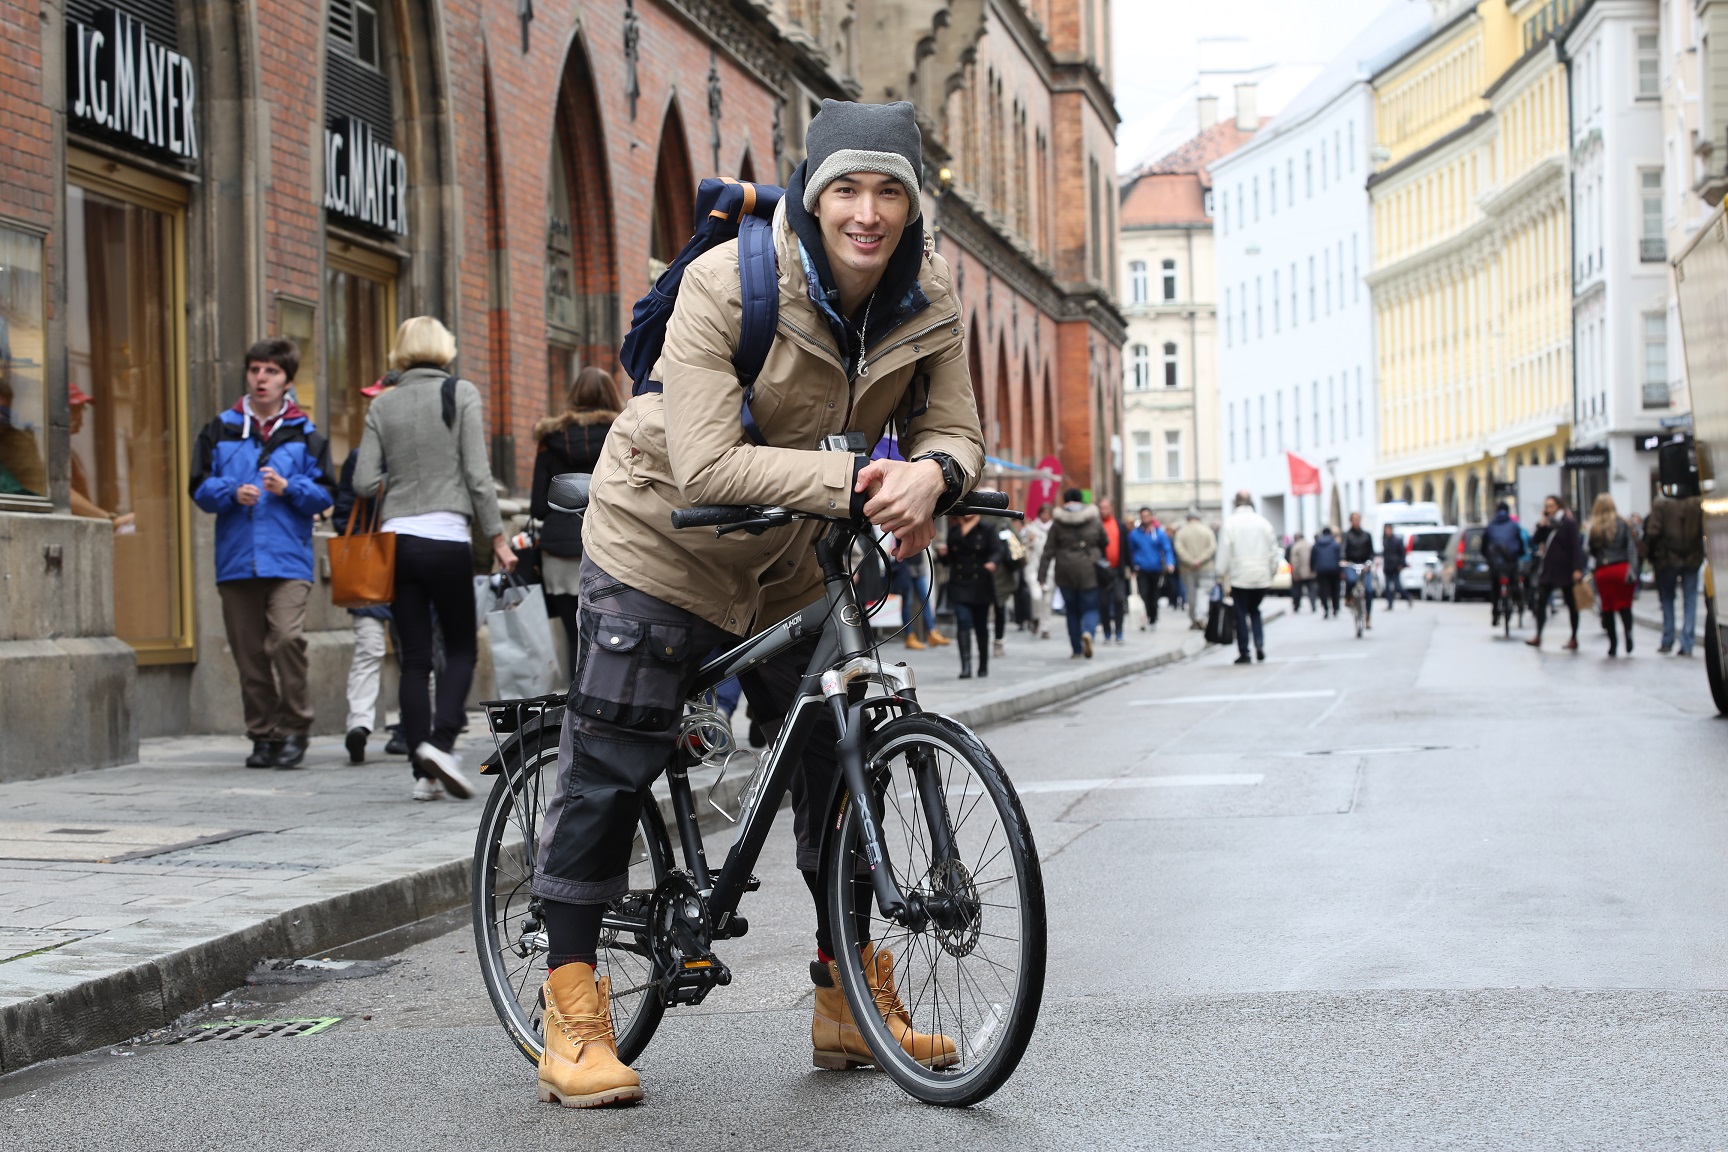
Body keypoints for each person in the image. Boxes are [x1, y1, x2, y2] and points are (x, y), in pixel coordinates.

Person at [528, 100, 983, 1109]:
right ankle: (572, 1012)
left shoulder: (929, 297)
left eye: (889, 192)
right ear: (816, 199)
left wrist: (939, 473)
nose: (868, 213)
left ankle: (847, 1001)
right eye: (847, 191)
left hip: (793, 560)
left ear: (913, 206)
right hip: (663, 540)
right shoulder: (728, 281)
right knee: (613, 756)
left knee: (836, 761)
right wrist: (866, 478)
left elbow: (955, 424)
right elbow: (704, 460)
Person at [354, 316, 517, 801]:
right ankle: (440, 745)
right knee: (462, 648)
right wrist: (500, 538)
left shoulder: (383, 404)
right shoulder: (459, 393)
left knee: (414, 659)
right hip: (447, 539)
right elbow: (477, 473)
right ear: (443, 348)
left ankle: (422, 772)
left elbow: (363, 482)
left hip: (397, 542)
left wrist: (400, 480)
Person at [190, 338, 335, 769]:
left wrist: (289, 488)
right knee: (249, 652)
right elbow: (198, 487)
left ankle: (295, 727)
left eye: (270, 371)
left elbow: (328, 494)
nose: (260, 378)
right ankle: (263, 733)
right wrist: (232, 491)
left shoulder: (307, 435)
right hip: (236, 560)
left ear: (287, 379)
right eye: (254, 370)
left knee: (287, 639)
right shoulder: (220, 428)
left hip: (288, 559)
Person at [531, 366, 622, 665]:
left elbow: (538, 505)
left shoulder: (552, 437)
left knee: (574, 636)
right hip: (612, 543)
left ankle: (575, 701)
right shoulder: (624, 431)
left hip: (559, 547)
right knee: (613, 630)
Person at [332, 372, 400, 763]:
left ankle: (412, 727)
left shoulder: (422, 455)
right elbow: (345, 512)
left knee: (416, 652)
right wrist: (365, 540)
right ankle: (359, 723)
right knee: (370, 646)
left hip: (411, 561)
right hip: (371, 565)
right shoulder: (360, 457)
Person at [1039, 488, 1108, 659]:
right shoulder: (1093, 519)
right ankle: (1088, 633)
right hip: (1089, 568)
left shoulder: (1057, 523)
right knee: (1090, 606)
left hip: (1064, 569)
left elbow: (1048, 551)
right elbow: (1104, 540)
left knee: (1072, 610)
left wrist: (1041, 575)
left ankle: (1076, 649)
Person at [938, 512, 1004, 678]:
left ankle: (983, 665)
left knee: (981, 626)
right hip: (959, 585)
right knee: (963, 622)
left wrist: (992, 562)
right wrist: (942, 555)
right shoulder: (954, 530)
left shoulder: (986, 529)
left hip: (980, 583)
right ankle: (966, 667)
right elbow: (949, 561)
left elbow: (997, 550)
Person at [1216, 490, 1279, 664]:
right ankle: (1259, 643)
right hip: (1260, 575)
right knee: (1255, 611)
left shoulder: (1231, 523)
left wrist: (1220, 574)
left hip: (1240, 576)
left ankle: (1244, 650)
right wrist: (1271, 573)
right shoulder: (1263, 523)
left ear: (1235, 503)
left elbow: (1224, 551)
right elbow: (1274, 552)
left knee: (1241, 613)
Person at [1643, 488, 1705, 655]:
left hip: (1668, 558)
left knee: (1668, 598)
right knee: (1690, 598)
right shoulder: (1696, 502)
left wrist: (1650, 554)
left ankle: (1668, 638)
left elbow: (1653, 532)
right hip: (1691, 556)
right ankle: (1687, 642)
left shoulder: (1661, 502)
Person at [1527, 494, 1583, 650]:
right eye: (1547, 506)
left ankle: (1574, 637)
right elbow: (1535, 540)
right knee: (1541, 602)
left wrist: (1577, 568)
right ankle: (1538, 634)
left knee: (1572, 605)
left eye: (1551, 506)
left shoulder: (1568, 523)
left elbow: (1575, 547)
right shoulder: (1547, 524)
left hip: (1565, 569)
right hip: (1549, 569)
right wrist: (1542, 524)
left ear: (1558, 506)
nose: (1548, 509)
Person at [1586, 493, 1639, 656]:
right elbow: (1631, 548)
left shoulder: (1594, 527)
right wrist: (1633, 570)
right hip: (1621, 569)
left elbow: (1589, 550)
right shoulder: (1623, 523)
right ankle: (1628, 633)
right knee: (1625, 605)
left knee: (1607, 607)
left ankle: (1613, 643)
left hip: (1604, 571)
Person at [1127, 507, 1175, 628]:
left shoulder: (1159, 533)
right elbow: (1130, 551)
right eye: (1143, 516)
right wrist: (1132, 566)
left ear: (1151, 516)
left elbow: (1167, 549)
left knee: (1154, 594)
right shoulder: (1134, 534)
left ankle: (1153, 617)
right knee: (1144, 593)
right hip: (1141, 568)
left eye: (1147, 516)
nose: (1145, 518)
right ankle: (1146, 615)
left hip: (1156, 568)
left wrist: (1170, 563)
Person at [1481, 502, 1525, 627]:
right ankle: (1517, 599)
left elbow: (1484, 547)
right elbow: (1520, 544)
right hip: (1511, 563)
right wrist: (1520, 553)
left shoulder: (1490, 526)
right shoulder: (1514, 525)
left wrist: (1487, 557)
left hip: (1495, 565)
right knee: (1513, 581)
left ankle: (1495, 613)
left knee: (1495, 587)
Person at [1095, 496, 1131, 643]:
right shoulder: (1096, 526)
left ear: (1111, 508)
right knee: (1103, 603)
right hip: (1102, 572)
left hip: (1117, 570)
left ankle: (1119, 632)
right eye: (1101, 508)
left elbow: (1126, 548)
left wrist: (1130, 566)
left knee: (1119, 600)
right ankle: (1107, 633)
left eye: (1106, 508)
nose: (1103, 511)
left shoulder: (1119, 525)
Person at [1174, 508, 1217, 630]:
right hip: (1205, 567)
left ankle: (1194, 618)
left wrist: (1190, 560)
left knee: (1191, 594)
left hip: (1188, 568)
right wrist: (1200, 559)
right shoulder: (1207, 531)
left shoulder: (1181, 532)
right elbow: (1212, 547)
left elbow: (1179, 549)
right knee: (1203, 592)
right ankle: (1201, 616)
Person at [1019, 503, 1053, 639]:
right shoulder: (1031, 528)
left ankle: (1045, 627)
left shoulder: (1054, 529)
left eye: (1048, 513)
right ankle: (1036, 617)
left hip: (1050, 568)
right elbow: (1022, 545)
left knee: (1047, 600)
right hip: (1033, 567)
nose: (1045, 516)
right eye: (1043, 513)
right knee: (1036, 596)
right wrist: (1030, 541)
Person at [1341, 512, 1376, 628]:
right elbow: (1343, 549)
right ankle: (1348, 597)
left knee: (1369, 590)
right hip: (1351, 564)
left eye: (1358, 519)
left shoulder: (1366, 535)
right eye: (1354, 519)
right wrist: (1343, 560)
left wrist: (1369, 562)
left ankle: (1368, 617)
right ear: (1351, 521)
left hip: (1364, 565)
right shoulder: (1346, 535)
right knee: (1351, 580)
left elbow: (1371, 552)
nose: (1356, 521)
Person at [1382, 524, 1411, 610]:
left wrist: (1401, 564)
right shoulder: (1385, 540)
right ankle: (1390, 604)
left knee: (1397, 587)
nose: (1387, 532)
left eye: (1388, 530)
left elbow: (1402, 553)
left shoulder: (1397, 540)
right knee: (1387, 587)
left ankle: (1408, 596)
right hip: (1387, 567)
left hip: (1395, 567)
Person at [1289, 532, 1316, 613]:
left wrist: (1295, 573)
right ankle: (1313, 606)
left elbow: (1294, 562)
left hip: (1299, 573)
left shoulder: (1296, 546)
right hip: (1310, 572)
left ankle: (1296, 606)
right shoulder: (1309, 545)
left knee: (1297, 590)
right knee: (1311, 590)